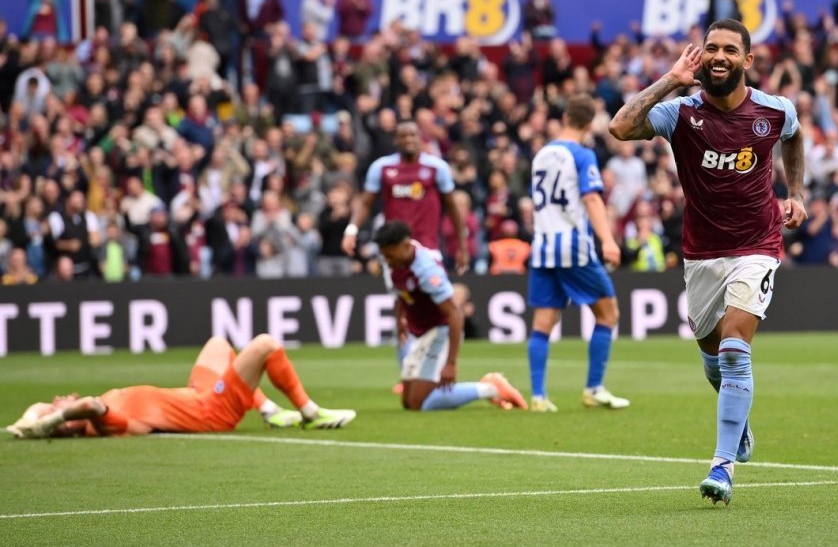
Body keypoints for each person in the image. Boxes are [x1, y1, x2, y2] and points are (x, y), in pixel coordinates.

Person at [609, 19, 808, 506]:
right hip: (701, 251)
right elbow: (620, 126)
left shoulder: (774, 110)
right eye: (710, 49)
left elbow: (794, 135)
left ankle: (722, 465)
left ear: (747, 60)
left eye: (729, 50)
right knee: (712, 359)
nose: (718, 57)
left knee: (736, 348)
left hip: (757, 244)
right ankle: (737, 426)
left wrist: (796, 193)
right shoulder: (680, 111)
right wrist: (670, 80)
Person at [6, 334, 356, 439]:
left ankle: (268, 409)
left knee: (219, 344)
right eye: (54, 406)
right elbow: (89, 407)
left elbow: (53, 408)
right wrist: (46, 422)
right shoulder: (104, 423)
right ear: (65, 422)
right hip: (211, 411)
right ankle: (310, 412)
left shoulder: (94, 418)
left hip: (197, 395)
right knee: (265, 345)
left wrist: (35, 419)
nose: (57, 399)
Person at [342, 121, 469, 388]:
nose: (409, 139)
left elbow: (452, 208)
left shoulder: (437, 168)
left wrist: (461, 244)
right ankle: (409, 376)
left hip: (427, 251)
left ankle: (437, 370)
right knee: (403, 308)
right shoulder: (382, 168)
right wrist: (352, 229)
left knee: (436, 310)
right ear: (395, 141)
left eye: (413, 134)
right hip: (394, 253)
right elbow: (365, 201)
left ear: (420, 138)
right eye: (403, 135)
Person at [525, 94, 629, 414]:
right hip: (572, 245)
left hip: (542, 245)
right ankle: (594, 388)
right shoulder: (582, 154)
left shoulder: (542, 153)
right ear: (589, 122)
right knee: (608, 314)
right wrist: (608, 240)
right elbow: (592, 200)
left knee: (543, 322)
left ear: (566, 116)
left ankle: (539, 396)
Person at [373, 221, 527, 412]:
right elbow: (401, 294)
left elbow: (454, 313)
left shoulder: (427, 271)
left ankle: (491, 388)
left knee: (418, 403)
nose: (387, 260)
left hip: (439, 331)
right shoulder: (397, 262)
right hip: (421, 332)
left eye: (389, 255)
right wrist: (400, 321)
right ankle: (482, 389)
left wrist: (450, 364)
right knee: (408, 402)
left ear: (405, 246)